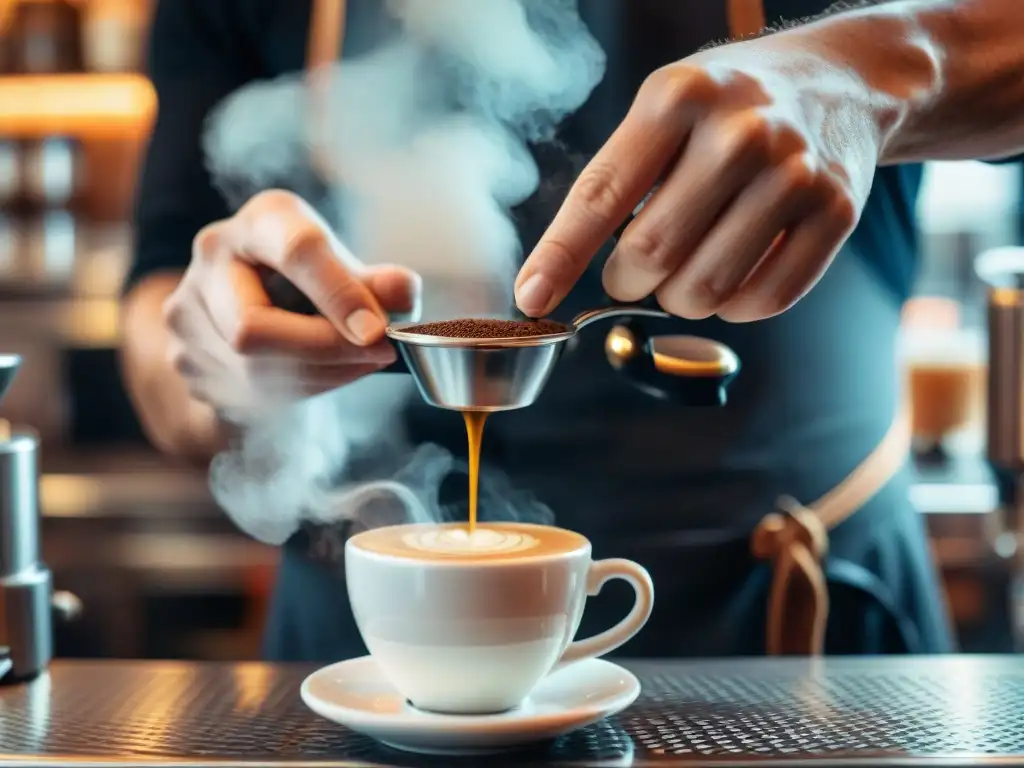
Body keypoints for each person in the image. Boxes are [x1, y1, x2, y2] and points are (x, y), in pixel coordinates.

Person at [120, 0, 1024, 662]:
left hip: (790, 635)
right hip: (372, 654)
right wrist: (208, 356)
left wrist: (874, 72)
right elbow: (161, 323)